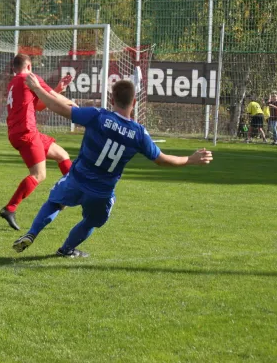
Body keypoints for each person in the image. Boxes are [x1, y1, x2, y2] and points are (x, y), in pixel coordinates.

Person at [12, 77, 213, 257]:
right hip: (102, 191)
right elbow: (162, 159)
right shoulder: (139, 134)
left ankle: (32, 233)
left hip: (77, 178)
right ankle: (66, 249)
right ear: (134, 102)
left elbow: (59, 108)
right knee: (91, 221)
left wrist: (38, 89)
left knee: (55, 202)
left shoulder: (97, 116)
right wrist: (191, 159)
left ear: (111, 100)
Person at [0, 53, 76, 231]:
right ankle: (9, 208)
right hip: (26, 132)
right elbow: (54, 101)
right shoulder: (30, 77)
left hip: (22, 132)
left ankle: (74, 187)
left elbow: (40, 105)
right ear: (30, 66)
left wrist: (57, 89)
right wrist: (75, 106)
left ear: (14, 68)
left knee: (62, 155)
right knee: (39, 175)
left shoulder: (14, 82)